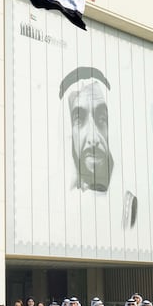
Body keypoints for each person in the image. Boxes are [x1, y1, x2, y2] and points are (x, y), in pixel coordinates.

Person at [58, 66, 137, 229]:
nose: (93, 138)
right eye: (79, 120)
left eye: (102, 118)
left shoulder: (127, 205)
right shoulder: (54, 200)